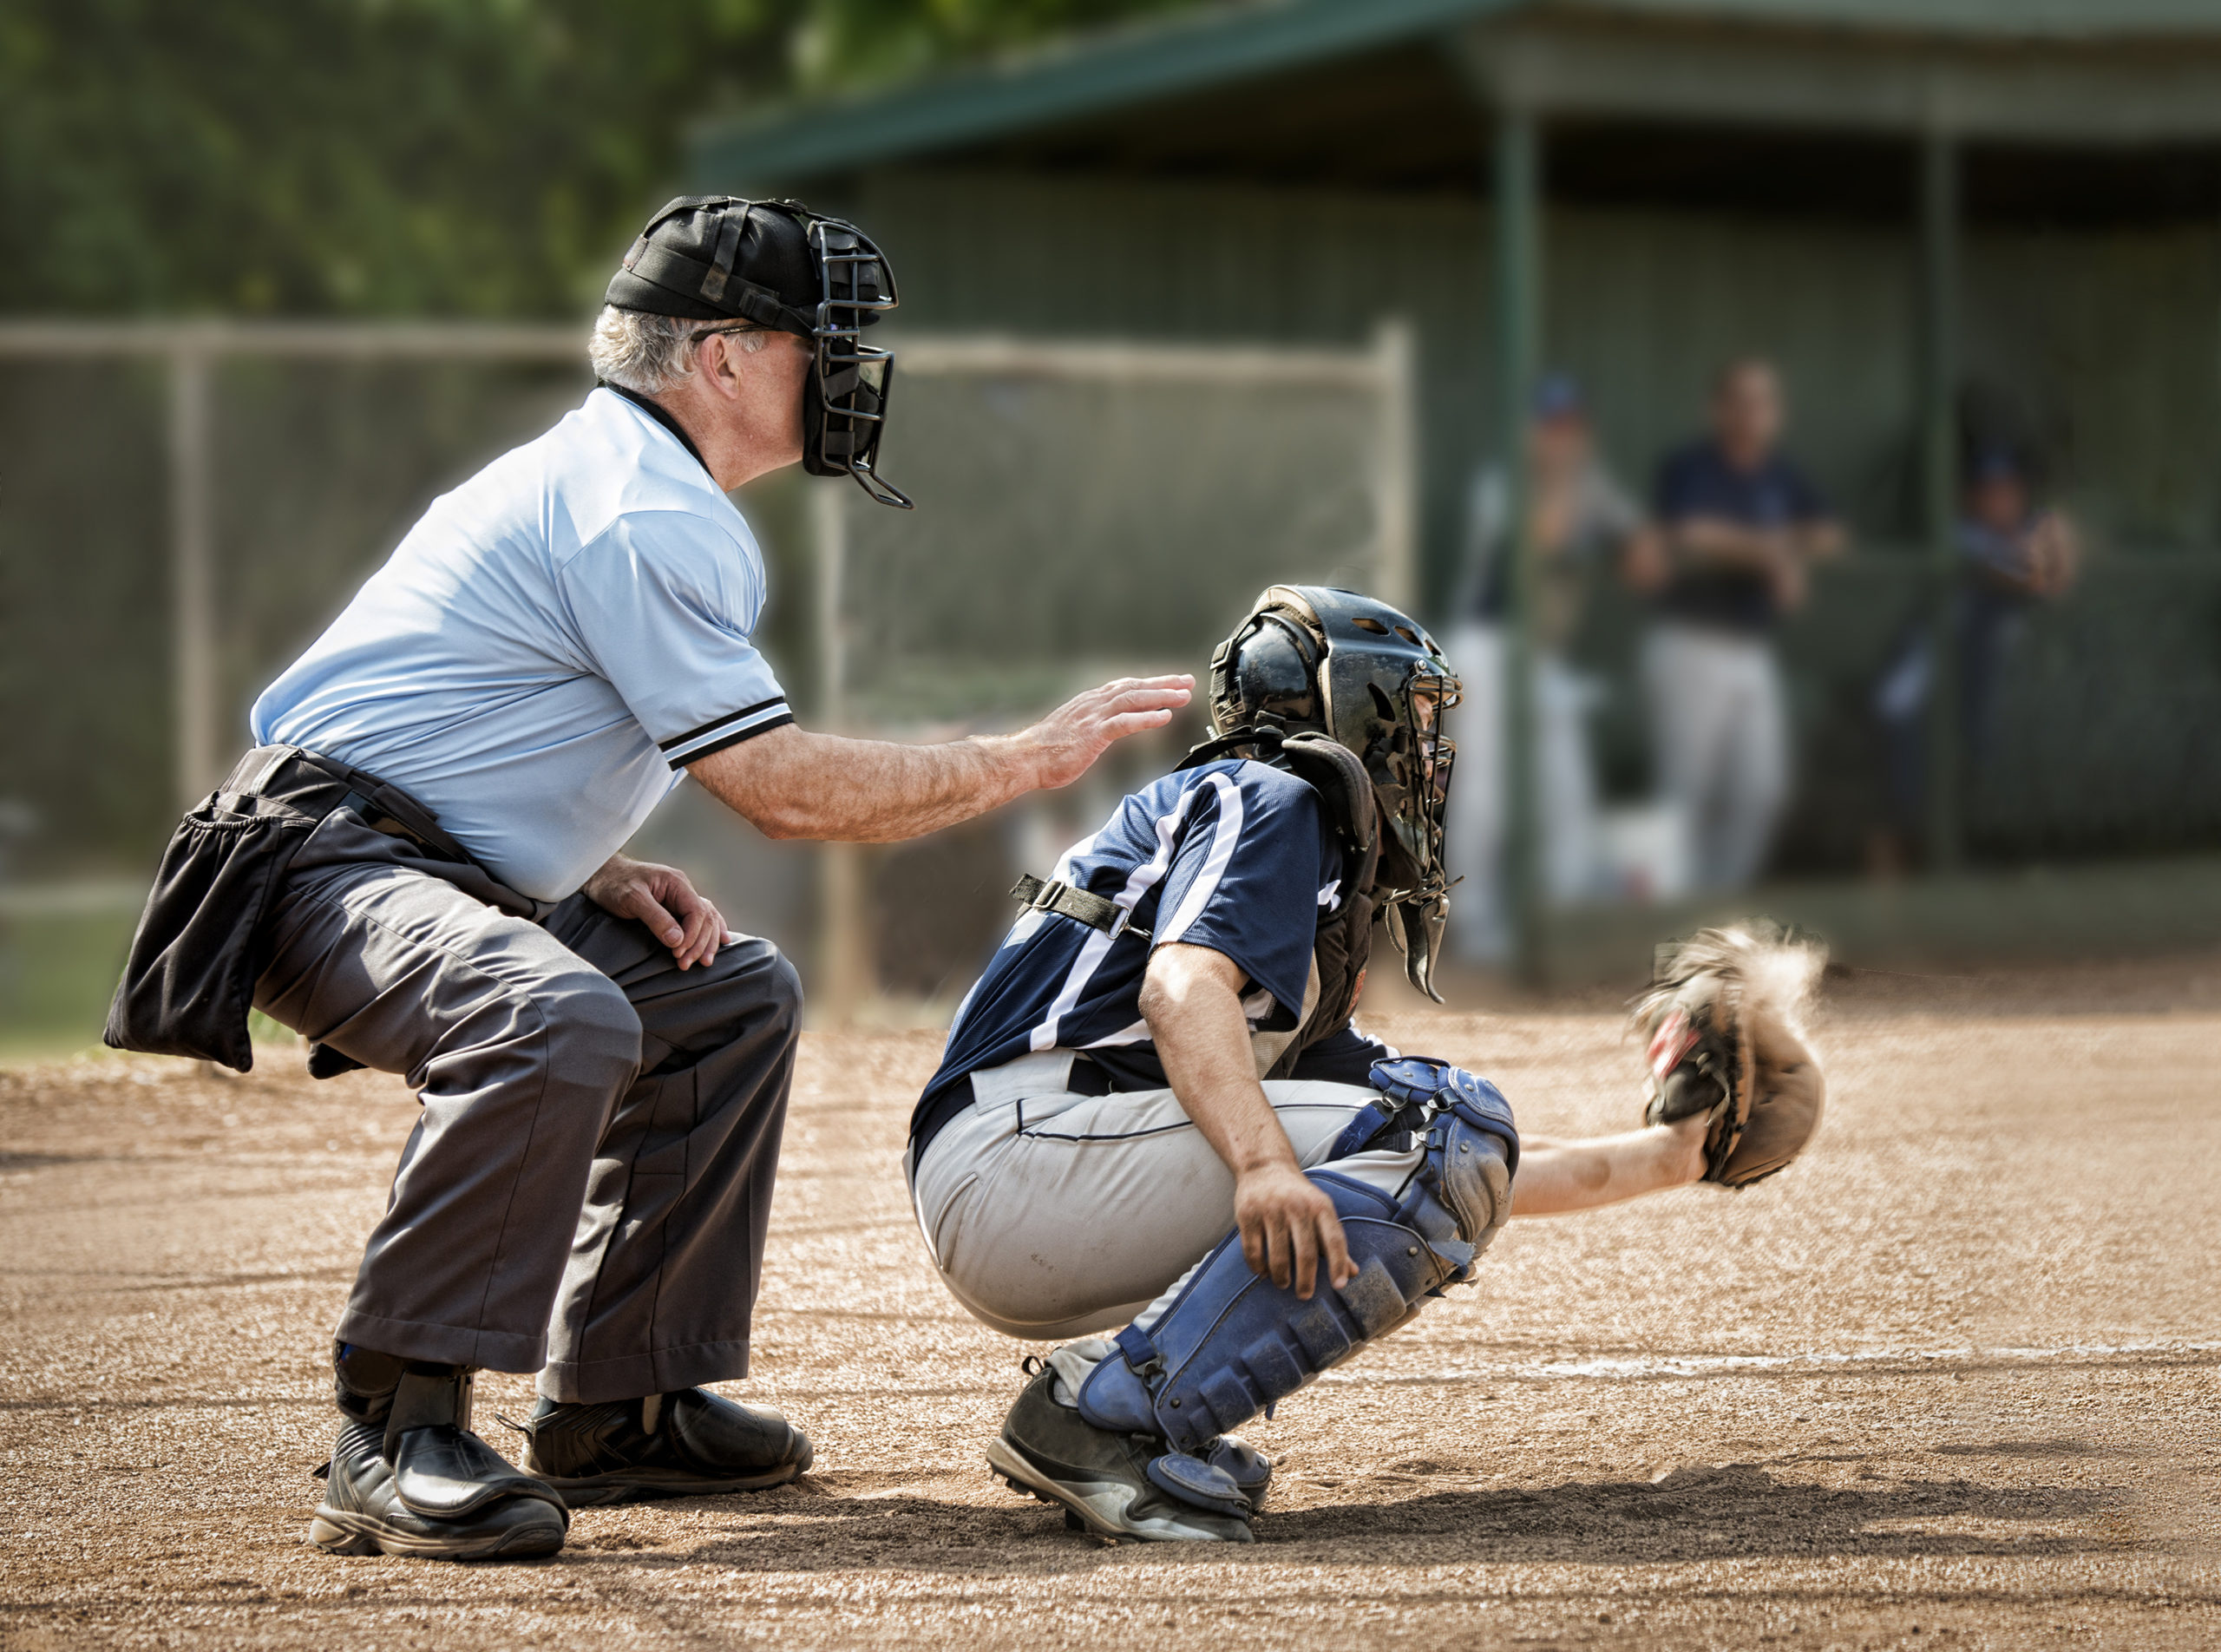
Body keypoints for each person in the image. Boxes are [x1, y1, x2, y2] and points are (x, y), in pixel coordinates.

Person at [102, 196, 1190, 1562]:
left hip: (400, 853)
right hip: (314, 866)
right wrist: (1017, 764)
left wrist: (589, 863)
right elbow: (783, 792)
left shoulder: (628, 477)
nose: (850, 373)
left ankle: (623, 1404)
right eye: (822, 342)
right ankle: (392, 1429)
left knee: (724, 998)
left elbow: (457, 712)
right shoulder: (640, 506)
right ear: (724, 358)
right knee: (553, 1014)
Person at [904, 586, 1825, 1543]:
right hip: (1024, 1156)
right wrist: (1263, 1165)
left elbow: (1459, 1163)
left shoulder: (1271, 861)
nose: (1429, 753)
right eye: (1417, 714)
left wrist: (1673, 1155)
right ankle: (1099, 1418)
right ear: (1352, 705)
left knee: (1441, 1133)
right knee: (1441, 1127)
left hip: (1037, 1160)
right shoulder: (1275, 794)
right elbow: (1179, 990)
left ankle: (1121, 1416)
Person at [1445, 371, 1660, 962]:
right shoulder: (1501, 485)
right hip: (1486, 648)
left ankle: (1561, 925)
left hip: (1544, 661)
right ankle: (1479, 928)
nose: (1559, 437)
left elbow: (1647, 567)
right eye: (1548, 425)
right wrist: (1584, 488)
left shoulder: (1593, 488)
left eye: (1569, 426)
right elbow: (1547, 532)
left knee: (1568, 795)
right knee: (1485, 794)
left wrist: (1629, 528)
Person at [1647, 359, 1844, 891]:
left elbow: (1829, 535)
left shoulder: (1781, 475)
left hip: (1751, 652)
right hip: (1691, 643)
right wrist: (1772, 555)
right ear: (1720, 409)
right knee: (1687, 794)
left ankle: (1712, 902)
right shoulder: (1694, 466)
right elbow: (1691, 532)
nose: (1755, 413)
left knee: (1764, 790)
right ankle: (1672, 907)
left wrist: (1787, 552)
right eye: (1743, 401)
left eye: (1765, 402)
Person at [1871, 446, 2079, 870]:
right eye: (1987, 492)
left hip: (1970, 690)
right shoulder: (1958, 535)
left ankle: (1932, 888)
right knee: (1901, 805)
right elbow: (2027, 578)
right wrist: (2043, 547)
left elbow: (2058, 571)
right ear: (1968, 498)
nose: (1998, 501)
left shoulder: (2019, 534)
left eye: (2006, 491)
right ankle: (1885, 901)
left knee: (1956, 789)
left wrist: (2055, 532)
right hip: (1918, 687)